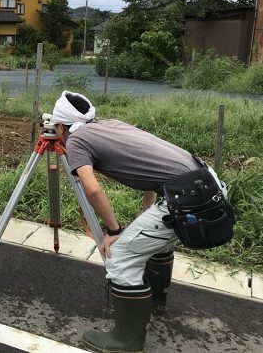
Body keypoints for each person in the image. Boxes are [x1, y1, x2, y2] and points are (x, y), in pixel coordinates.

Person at [49, 90, 226, 353]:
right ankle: (155, 301)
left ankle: (127, 340)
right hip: (207, 183)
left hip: (185, 196)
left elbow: (93, 190)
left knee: (120, 255)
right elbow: (154, 169)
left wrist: (115, 230)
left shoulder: (77, 141)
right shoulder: (112, 125)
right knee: (157, 240)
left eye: (57, 128)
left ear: (62, 126)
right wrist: (146, 215)